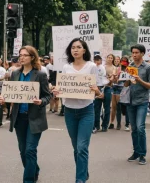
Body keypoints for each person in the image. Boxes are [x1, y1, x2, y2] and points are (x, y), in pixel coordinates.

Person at [0, 45, 51, 183]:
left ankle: (28, 180)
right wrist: (4, 99)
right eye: (20, 55)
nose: (21, 57)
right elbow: (11, 94)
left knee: (30, 150)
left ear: (32, 57)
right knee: (23, 150)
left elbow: (48, 96)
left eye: (24, 55)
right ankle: (34, 169)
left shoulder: (40, 75)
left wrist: (41, 101)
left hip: (35, 118)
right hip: (19, 118)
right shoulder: (15, 74)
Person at [53, 38, 100, 183]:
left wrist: (96, 90)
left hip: (86, 110)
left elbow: (98, 92)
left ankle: (80, 179)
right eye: (73, 47)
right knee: (76, 148)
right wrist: (57, 91)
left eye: (79, 47)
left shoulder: (91, 66)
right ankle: (83, 172)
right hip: (69, 111)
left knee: (82, 147)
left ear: (84, 50)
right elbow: (61, 87)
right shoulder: (66, 67)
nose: (75, 50)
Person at [125, 44, 150, 165]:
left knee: (140, 128)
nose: (134, 55)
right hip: (130, 101)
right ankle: (136, 152)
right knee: (134, 129)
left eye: (136, 53)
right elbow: (126, 85)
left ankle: (142, 154)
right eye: (133, 53)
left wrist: (139, 80)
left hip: (142, 101)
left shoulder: (147, 67)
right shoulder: (130, 66)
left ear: (142, 53)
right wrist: (125, 79)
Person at [93, 55, 109, 133]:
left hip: (102, 87)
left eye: (98, 60)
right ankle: (96, 126)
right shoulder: (93, 67)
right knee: (96, 108)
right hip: (96, 87)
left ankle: (104, 125)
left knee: (105, 109)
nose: (96, 62)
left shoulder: (102, 68)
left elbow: (104, 78)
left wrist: (101, 89)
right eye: (95, 60)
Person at [109, 56, 124, 130]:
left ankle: (118, 123)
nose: (116, 61)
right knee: (113, 107)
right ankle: (111, 123)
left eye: (118, 60)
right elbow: (112, 80)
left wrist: (116, 77)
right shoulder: (113, 68)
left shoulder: (122, 69)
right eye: (115, 60)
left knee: (118, 107)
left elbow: (119, 80)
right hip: (113, 87)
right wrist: (112, 78)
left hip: (120, 88)